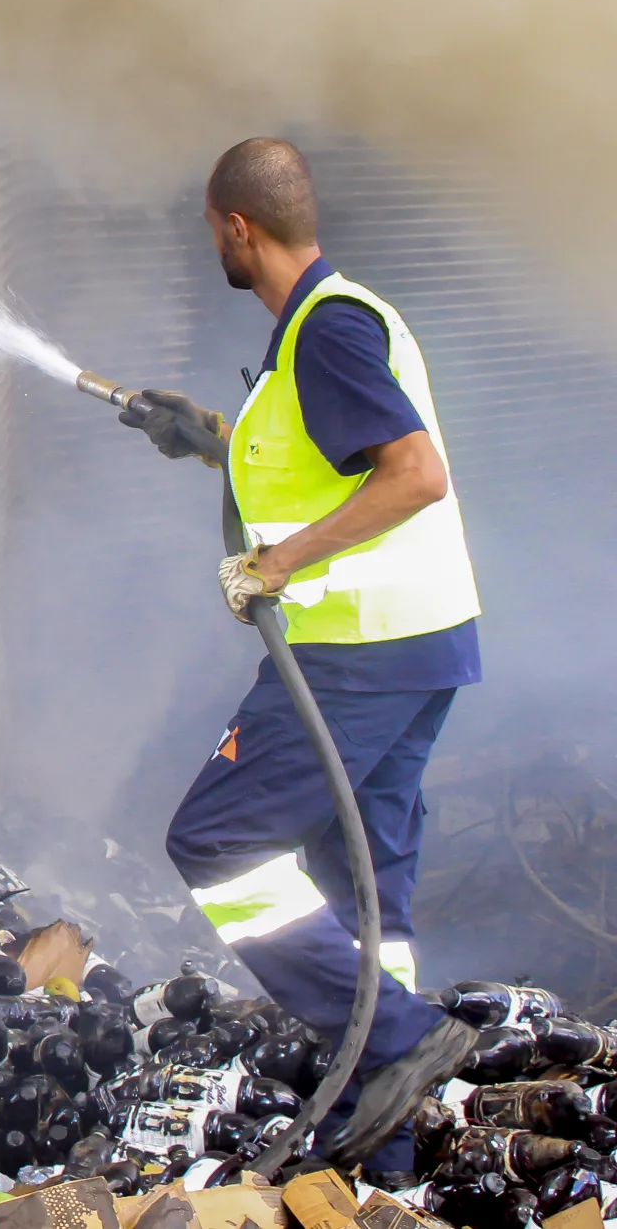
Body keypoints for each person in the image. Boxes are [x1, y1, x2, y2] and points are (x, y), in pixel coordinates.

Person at [122, 137, 481, 1173]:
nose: (214, 248)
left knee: (218, 844)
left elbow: (412, 474)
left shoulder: (324, 332)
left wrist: (274, 567)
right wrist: (208, 438)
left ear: (237, 227)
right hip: (418, 647)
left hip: (354, 654)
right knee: (365, 881)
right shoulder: (328, 325)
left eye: (211, 232)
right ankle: (395, 1145)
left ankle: (397, 1043)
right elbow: (316, 462)